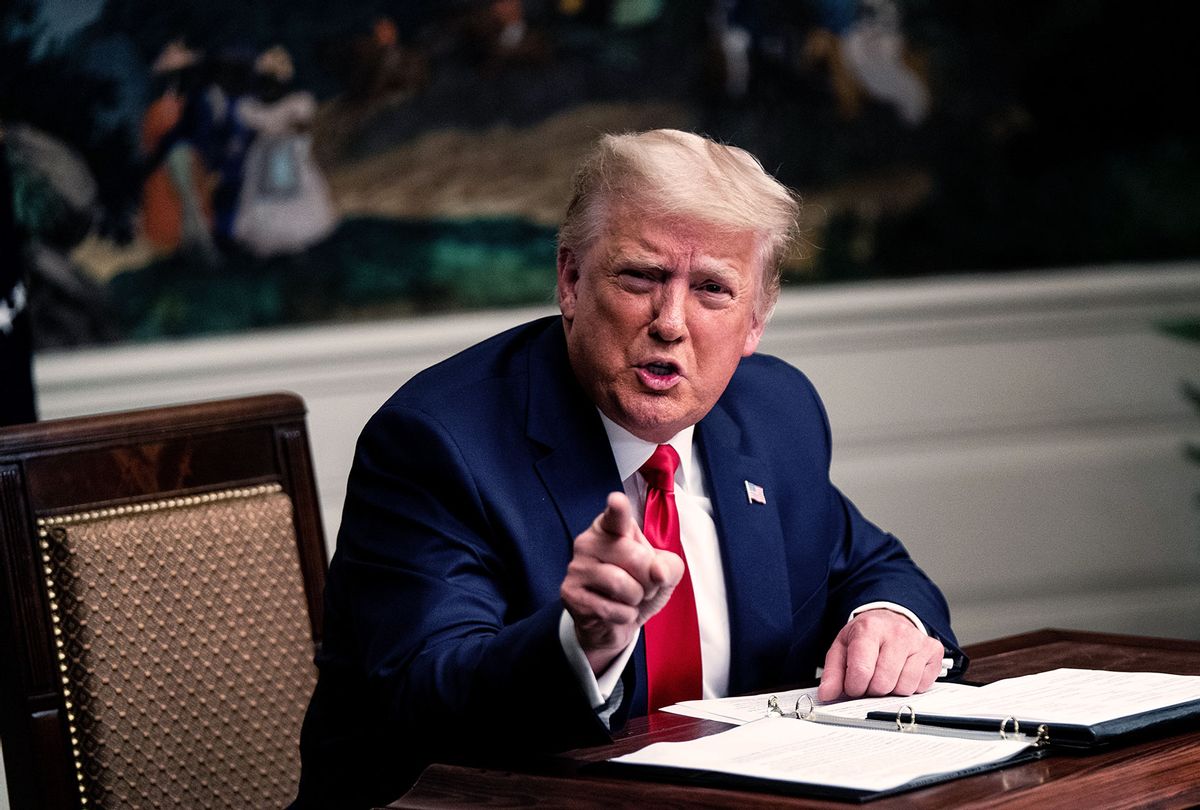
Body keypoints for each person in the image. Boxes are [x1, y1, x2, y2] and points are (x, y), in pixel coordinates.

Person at [294, 129, 964, 808]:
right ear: (571, 280)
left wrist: (890, 620)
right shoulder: (439, 443)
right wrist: (578, 642)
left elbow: (871, 565)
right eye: (641, 277)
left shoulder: (774, 415)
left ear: (756, 321)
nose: (670, 322)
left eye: (712, 289)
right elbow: (421, 694)